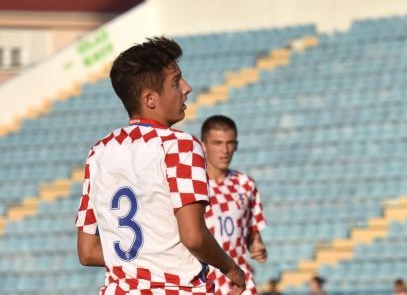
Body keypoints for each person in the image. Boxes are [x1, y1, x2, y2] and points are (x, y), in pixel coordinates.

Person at [75, 37, 245, 294]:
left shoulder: (99, 153)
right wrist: (231, 268)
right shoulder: (180, 146)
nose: (187, 88)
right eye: (176, 82)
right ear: (150, 99)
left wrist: (142, 262)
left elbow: (87, 252)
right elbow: (193, 237)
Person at [201, 115, 268, 294]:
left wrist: (257, 247)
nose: (225, 150)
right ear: (203, 145)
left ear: (236, 145)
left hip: (240, 281)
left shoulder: (245, 184)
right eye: (217, 143)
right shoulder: (193, 184)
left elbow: (253, 236)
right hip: (203, 281)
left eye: (230, 143)